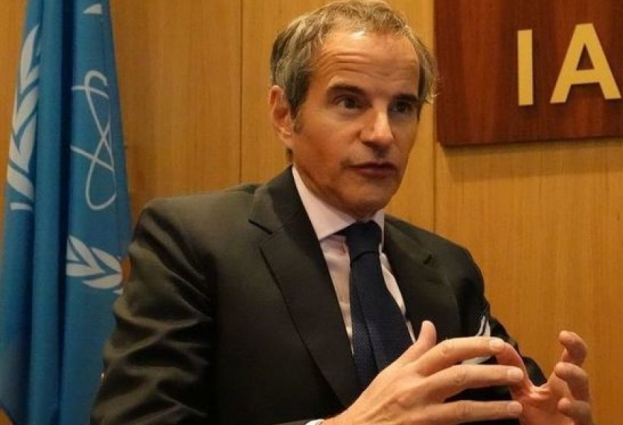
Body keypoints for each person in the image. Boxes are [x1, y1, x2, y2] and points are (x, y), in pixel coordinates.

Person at [91, 1, 594, 424]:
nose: (382, 134)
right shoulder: (194, 242)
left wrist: (541, 420)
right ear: (284, 115)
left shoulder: (447, 268)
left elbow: (508, 403)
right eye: (350, 102)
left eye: (402, 107)